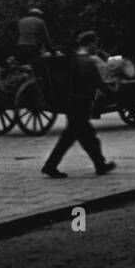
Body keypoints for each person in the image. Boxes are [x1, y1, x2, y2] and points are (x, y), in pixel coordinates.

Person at [41, 32, 117, 178]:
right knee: (83, 136)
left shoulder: (75, 58)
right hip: (80, 104)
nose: (96, 47)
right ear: (89, 43)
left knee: (76, 137)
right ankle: (99, 165)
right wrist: (114, 94)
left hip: (72, 103)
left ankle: (98, 165)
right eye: (95, 43)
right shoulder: (87, 61)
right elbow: (98, 82)